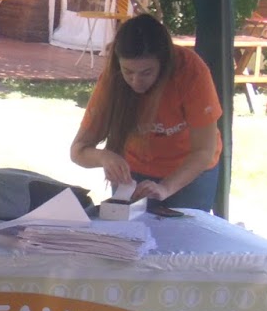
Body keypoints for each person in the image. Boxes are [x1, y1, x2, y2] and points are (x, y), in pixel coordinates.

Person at [68, 12, 223, 212]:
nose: (136, 81)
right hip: (133, 173)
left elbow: (203, 151)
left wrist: (165, 188)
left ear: (164, 63)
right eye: (128, 72)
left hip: (189, 173)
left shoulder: (191, 72)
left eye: (146, 72)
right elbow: (77, 150)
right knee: (130, 238)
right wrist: (104, 157)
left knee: (183, 238)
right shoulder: (111, 81)